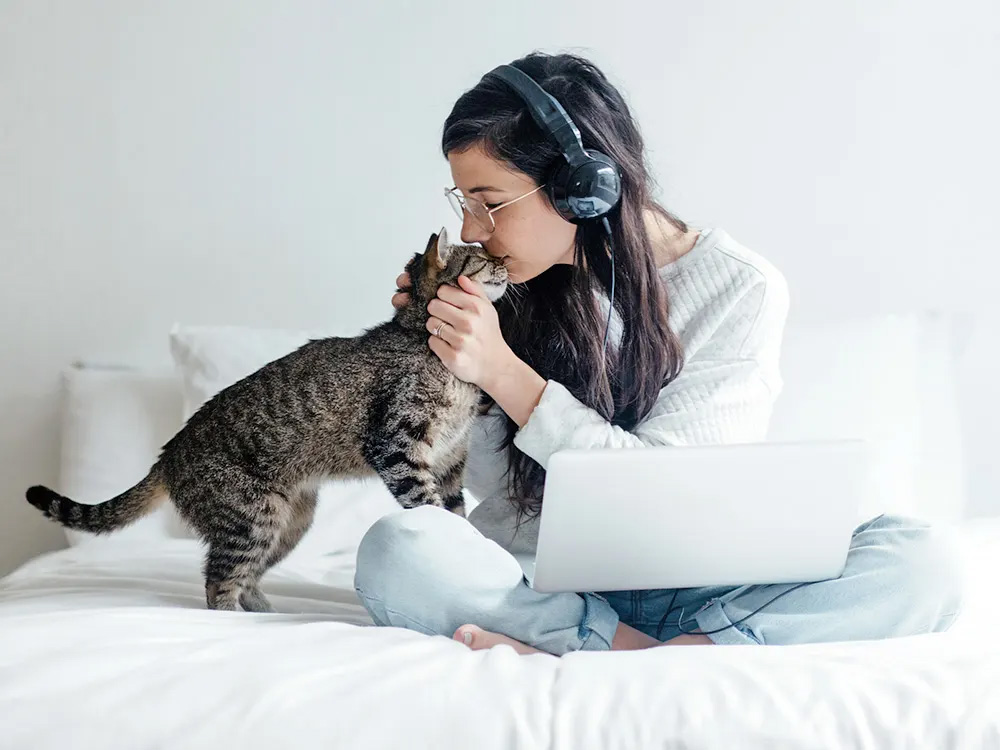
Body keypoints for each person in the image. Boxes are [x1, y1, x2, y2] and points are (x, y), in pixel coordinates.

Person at [352, 52, 963, 656]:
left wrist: (502, 371)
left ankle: (628, 648)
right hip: (542, 582)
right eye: (463, 203)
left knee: (921, 563)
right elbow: (488, 486)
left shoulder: (740, 287)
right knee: (399, 550)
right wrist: (431, 361)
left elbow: (655, 498)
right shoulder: (503, 287)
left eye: (489, 202)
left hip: (704, 587)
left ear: (581, 188)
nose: (471, 230)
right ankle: (659, 652)